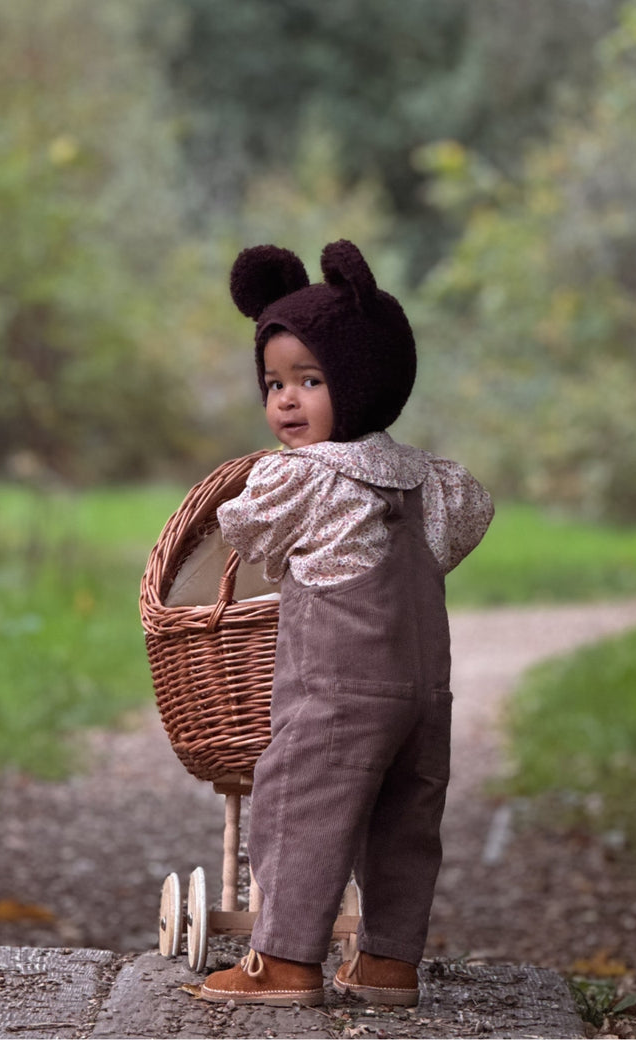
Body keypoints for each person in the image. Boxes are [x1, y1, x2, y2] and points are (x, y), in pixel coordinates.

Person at [200, 240, 494, 1007]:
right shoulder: (431, 480)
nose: (286, 401)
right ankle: (389, 962)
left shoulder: (303, 476)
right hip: (424, 693)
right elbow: (469, 524)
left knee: (301, 805)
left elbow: (244, 529)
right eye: (274, 384)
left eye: (311, 380)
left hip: (337, 692)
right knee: (406, 820)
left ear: (363, 380)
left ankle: (284, 961)